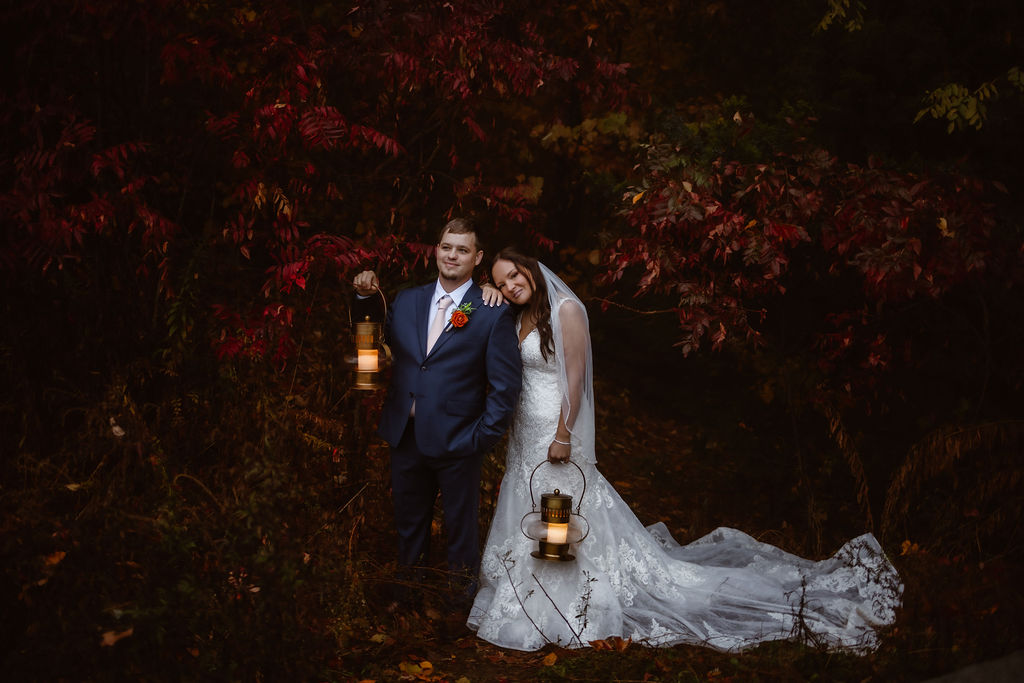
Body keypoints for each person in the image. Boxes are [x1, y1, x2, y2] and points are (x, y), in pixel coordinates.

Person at [467, 248, 903, 652]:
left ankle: (559, 601)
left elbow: (576, 379)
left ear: (531, 269)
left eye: (514, 276)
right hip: (524, 433)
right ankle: (521, 591)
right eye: (502, 282)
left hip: (555, 431)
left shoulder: (566, 310)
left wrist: (564, 434)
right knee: (531, 507)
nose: (510, 286)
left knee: (559, 509)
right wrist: (486, 288)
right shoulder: (516, 313)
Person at [352, 218, 522, 610]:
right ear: (436, 250)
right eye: (447, 247)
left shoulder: (491, 311)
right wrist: (364, 297)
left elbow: (505, 387)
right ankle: (408, 599)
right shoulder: (407, 300)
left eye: (463, 250)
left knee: (460, 529)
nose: (452, 255)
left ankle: (458, 608)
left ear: (477, 257)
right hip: (406, 434)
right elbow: (372, 337)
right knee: (409, 523)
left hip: (460, 439)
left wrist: (480, 437)